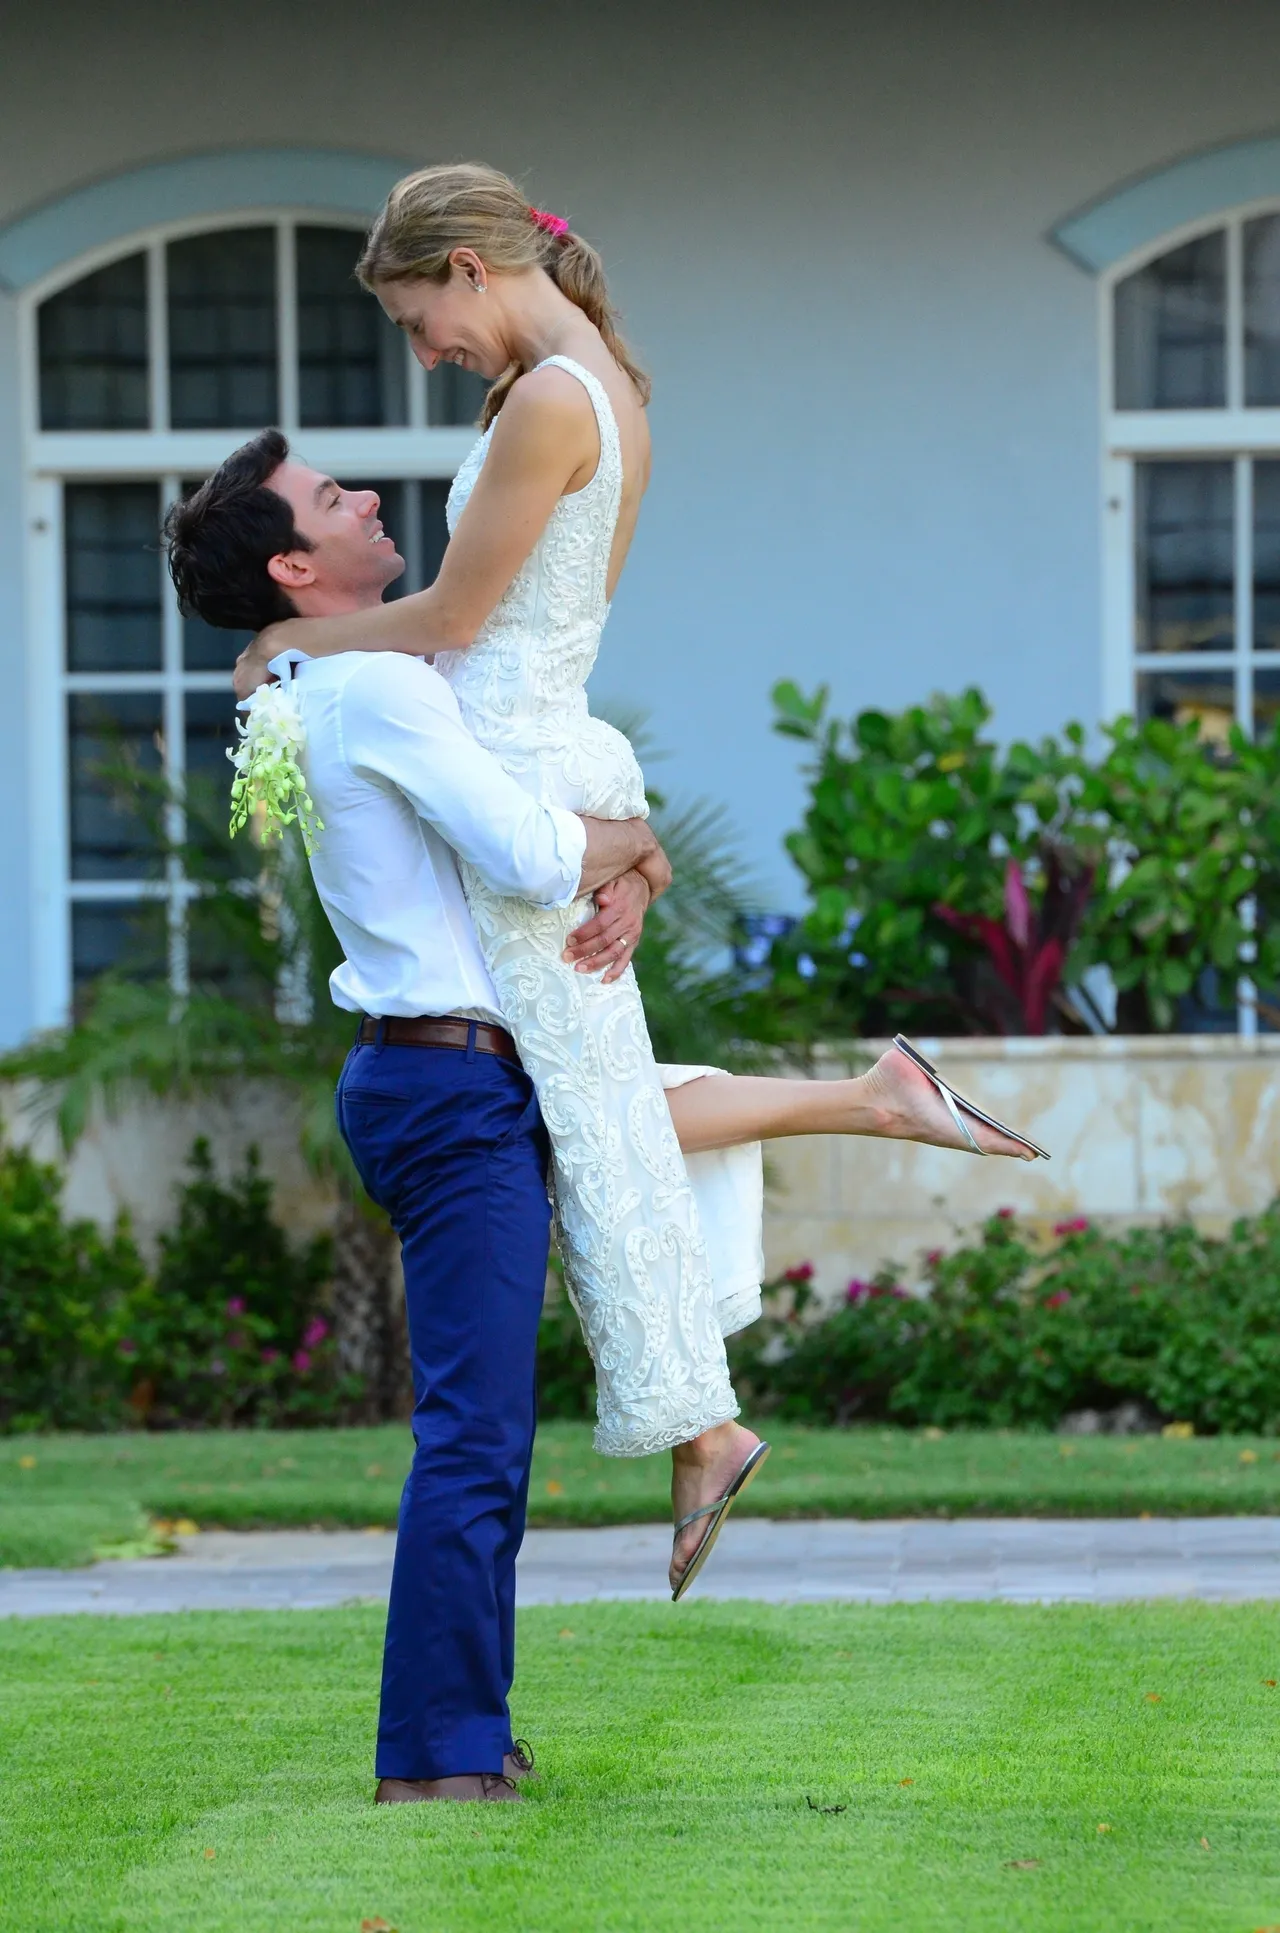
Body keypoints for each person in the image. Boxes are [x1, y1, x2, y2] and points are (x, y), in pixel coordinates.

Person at [167, 425, 1043, 1802]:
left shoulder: (340, 679)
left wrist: (621, 866)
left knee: (593, 1200)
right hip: (446, 1083)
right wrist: (627, 846)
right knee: (474, 1437)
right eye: (336, 500)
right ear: (296, 561)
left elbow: (524, 799)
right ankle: (440, 1756)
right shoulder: (371, 695)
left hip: (458, 1069)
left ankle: (470, 1727)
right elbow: (525, 849)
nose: (370, 501)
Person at [227, 163, 1044, 1602]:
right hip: (545, 765)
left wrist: (290, 655)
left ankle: (707, 1418)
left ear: (474, 267)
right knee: (591, 1099)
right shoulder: (589, 385)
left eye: (423, 323)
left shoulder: (550, 400)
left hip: (521, 774)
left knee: (597, 1122)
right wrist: (629, 832)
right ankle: (865, 1122)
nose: (427, 357)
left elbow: (460, 616)